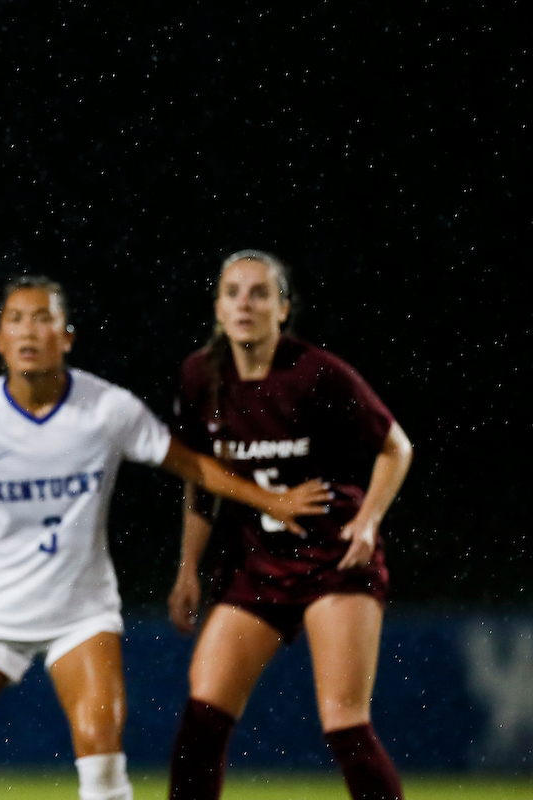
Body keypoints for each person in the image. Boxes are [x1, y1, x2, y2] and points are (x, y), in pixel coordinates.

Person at [0, 275, 332, 800]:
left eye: (43, 319)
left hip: (80, 614)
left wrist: (270, 500)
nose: (29, 331)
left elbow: (193, 465)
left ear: (67, 337)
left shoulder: (108, 409)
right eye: (16, 319)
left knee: (104, 764)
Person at [165, 250, 412, 800]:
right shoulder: (200, 376)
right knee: (202, 718)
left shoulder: (316, 372)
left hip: (334, 558)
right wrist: (187, 567)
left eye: (259, 293)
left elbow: (397, 447)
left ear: (282, 309)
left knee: (345, 723)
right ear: (218, 309)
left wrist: (368, 522)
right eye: (233, 293)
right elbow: (200, 479)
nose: (244, 304)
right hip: (256, 564)